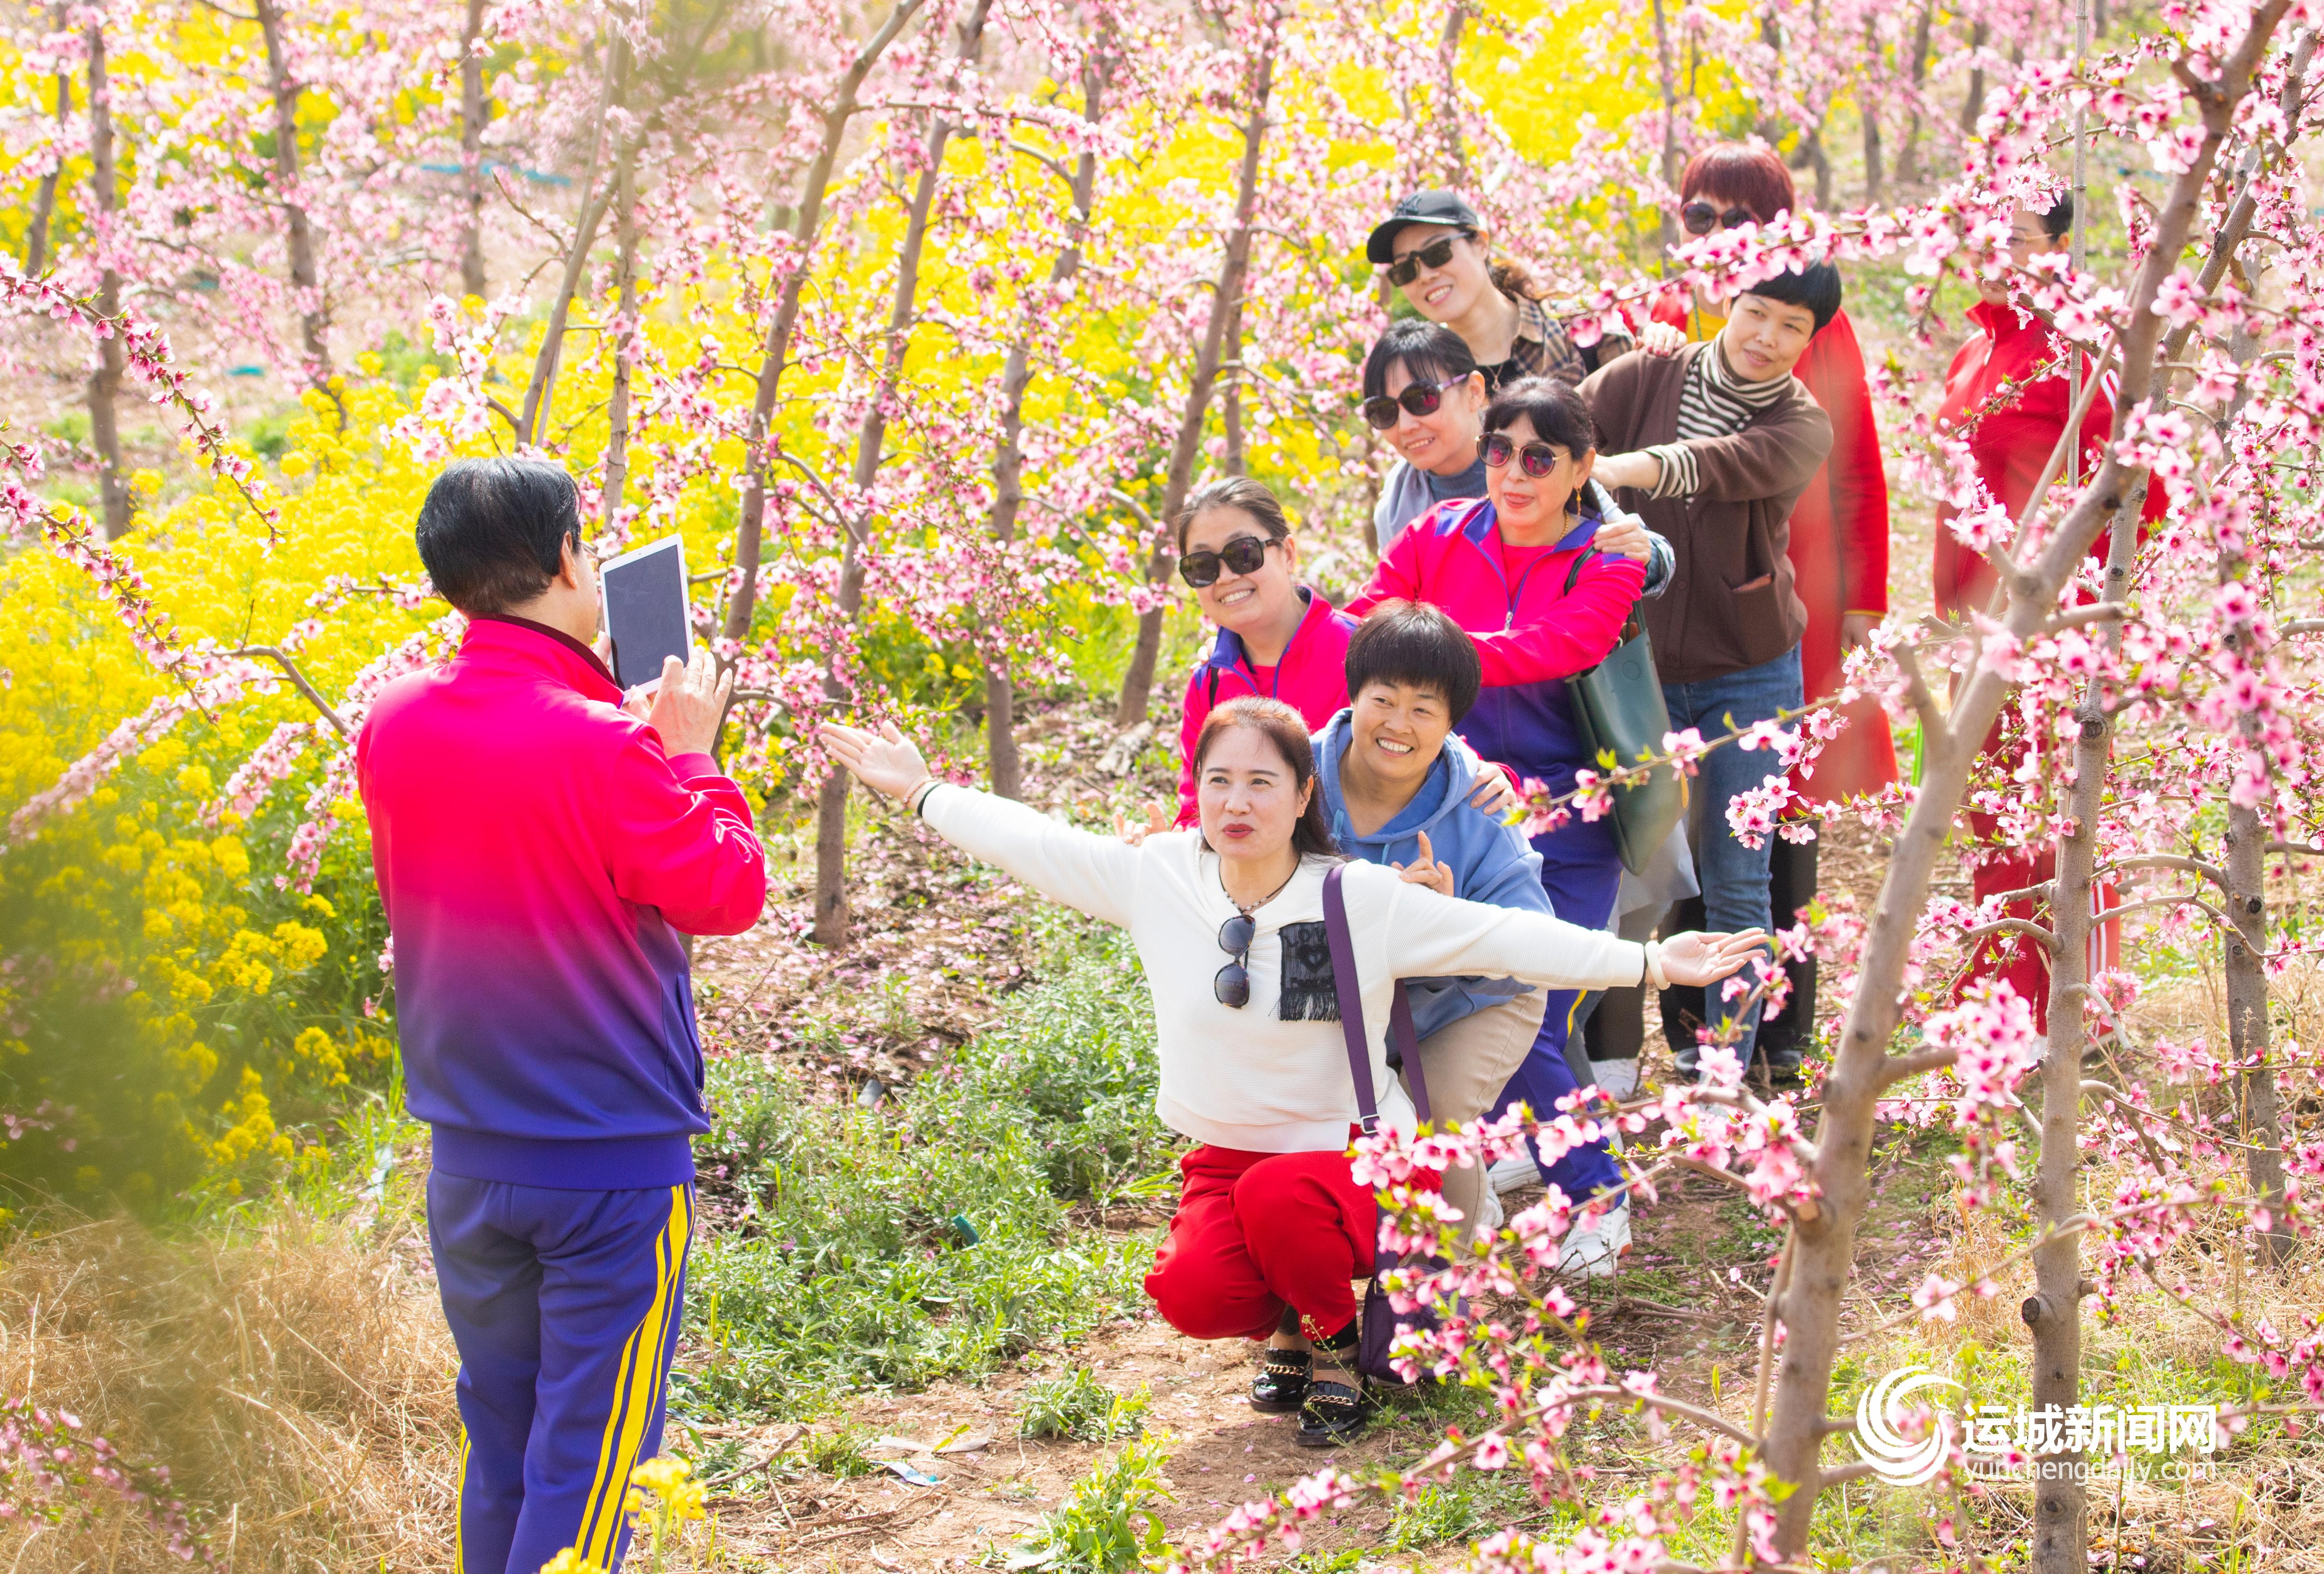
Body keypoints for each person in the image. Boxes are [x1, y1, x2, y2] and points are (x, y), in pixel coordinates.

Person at [820, 698, 1760, 1447]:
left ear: (1304, 792)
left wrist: (1651, 962)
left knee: (1278, 1198)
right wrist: (921, 791)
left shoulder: (1356, 895)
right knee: (1192, 1290)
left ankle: (1333, 1344)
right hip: (1228, 1154)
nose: (1237, 802)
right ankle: (1288, 1317)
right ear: (1196, 790)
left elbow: (1504, 936)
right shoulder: (1157, 875)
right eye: (1218, 780)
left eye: (1261, 782)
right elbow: (1035, 842)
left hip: (1358, 1158)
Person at [357, 458, 768, 1574]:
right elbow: (727, 889)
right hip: (609, 1169)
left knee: (503, 1445)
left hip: (468, 1162)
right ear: (566, 560)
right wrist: (690, 757)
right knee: (589, 1471)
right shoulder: (607, 747)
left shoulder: (393, 721)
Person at [1347, 376, 1648, 1267]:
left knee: (1533, 999)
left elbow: (1567, 643)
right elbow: (1367, 623)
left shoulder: (1608, 555)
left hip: (1571, 808)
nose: (1513, 474)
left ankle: (1596, 1195)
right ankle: (1531, 1152)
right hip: (1460, 803)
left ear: (1582, 467)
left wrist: (1428, 659)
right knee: (1468, 1001)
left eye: (1539, 458)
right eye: (1499, 451)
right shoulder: (1436, 534)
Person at [1632, 144, 1896, 1082]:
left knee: (1776, 810)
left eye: (1734, 219)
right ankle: (1688, 1026)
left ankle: (1777, 1028)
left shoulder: (1810, 322)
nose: (1712, 235)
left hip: (1793, 595)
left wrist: (1862, 602)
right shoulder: (1664, 318)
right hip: (1672, 606)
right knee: (1678, 810)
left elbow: (1856, 462)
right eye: (1697, 216)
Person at [1580, 263, 1840, 1078]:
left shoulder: (1802, 423)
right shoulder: (1646, 373)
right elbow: (1559, 425)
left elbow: (1716, 463)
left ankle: (1724, 1066)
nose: (1767, 337)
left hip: (1747, 669)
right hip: (1638, 668)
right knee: (1621, 862)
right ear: (1727, 302)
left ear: (1811, 338)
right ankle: (1600, 1057)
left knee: (1737, 871)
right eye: (1756, 312)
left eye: (1792, 326)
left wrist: (1617, 470)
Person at [1933, 193, 2159, 1025]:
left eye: (2018, 239)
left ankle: (2063, 1006)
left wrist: (2074, 593)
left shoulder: (2078, 353)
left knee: (2050, 806)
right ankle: (2002, 993)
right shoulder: (1975, 349)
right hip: (1977, 620)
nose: (1995, 254)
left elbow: (2139, 485)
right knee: (1992, 806)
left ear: (2060, 246)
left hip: (2049, 623)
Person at [1312, 601, 1565, 1262]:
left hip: (1474, 996)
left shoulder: (1480, 804)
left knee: (1435, 1116)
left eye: (1423, 709)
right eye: (1383, 699)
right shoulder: (1297, 776)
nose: (1398, 724)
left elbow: (1531, 939)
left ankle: (1447, 1279)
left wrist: (1447, 927)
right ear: (1353, 695)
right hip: (1348, 997)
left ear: (1452, 723)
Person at [1169, 475, 1520, 828]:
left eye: (1243, 554)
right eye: (1202, 566)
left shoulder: (1367, 651)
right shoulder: (1209, 684)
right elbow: (1194, 815)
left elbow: (1438, 743)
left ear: (1288, 553)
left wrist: (1491, 777)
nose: (1225, 577)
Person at [1364, 321, 1675, 597]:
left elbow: (1647, 550)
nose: (1405, 425)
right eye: (1384, 411)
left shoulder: (1541, 456)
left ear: (1474, 391)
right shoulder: (1396, 504)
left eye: (1422, 399)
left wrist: (1645, 555)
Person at [1365, 190, 1632, 394]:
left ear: (1481, 244)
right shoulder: (1429, 387)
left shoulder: (1583, 329)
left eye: (1437, 252)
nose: (1425, 276)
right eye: (1406, 269)